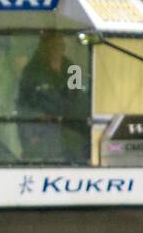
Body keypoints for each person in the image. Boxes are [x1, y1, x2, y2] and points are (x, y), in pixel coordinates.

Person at [16, 33, 89, 162]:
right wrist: (35, 123)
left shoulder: (73, 69)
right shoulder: (32, 71)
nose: (57, 50)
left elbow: (78, 99)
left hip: (70, 131)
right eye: (53, 46)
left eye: (60, 46)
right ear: (44, 48)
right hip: (42, 132)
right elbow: (23, 104)